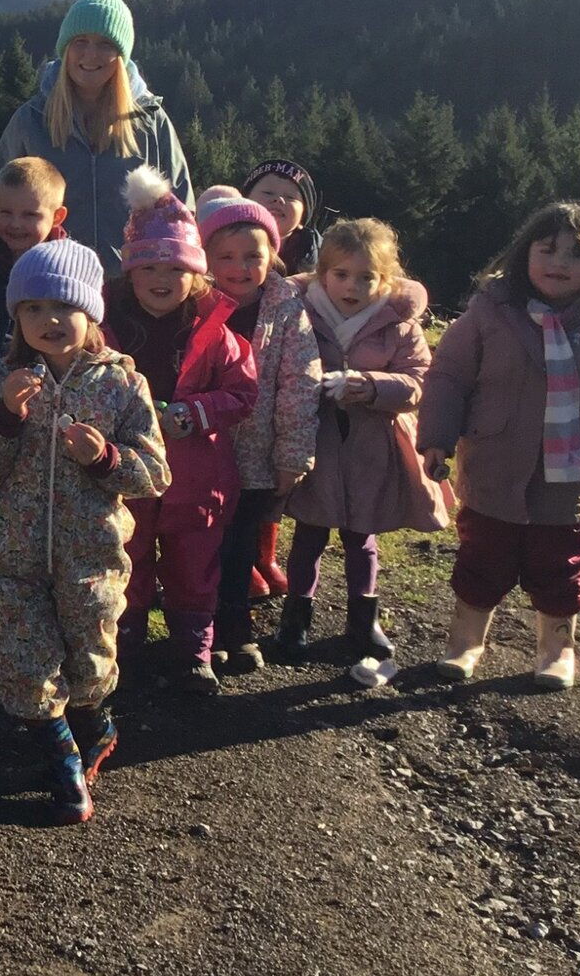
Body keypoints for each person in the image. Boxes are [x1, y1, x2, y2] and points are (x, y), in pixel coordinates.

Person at [0, 241, 169, 824]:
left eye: (63, 307)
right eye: (32, 309)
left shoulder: (122, 386)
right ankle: (64, 764)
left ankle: (96, 726)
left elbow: (154, 474)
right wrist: (6, 416)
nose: (48, 321)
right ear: (17, 317)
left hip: (91, 556)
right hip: (11, 554)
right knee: (26, 661)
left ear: (91, 312)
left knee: (90, 662)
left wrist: (105, 459)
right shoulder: (2, 378)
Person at [419, 202, 580, 690]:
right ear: (523, 253)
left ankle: (557, 651)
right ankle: (465, 644)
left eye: (576, 255)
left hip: (571, 482)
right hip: (492, 470)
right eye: (547, 249)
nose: (559, 263)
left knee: (561, 572)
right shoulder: (491, 312)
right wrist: (438, 440)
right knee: (480, 563)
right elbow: (448, 377)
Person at [103, 170, 256, 695]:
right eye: (148, 265)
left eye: (175, 266)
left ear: (196, 276)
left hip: (196, 482)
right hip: (125, 476)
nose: (161, 277)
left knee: (195, 570)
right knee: (127, 560)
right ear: (131, 271)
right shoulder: (106, 326)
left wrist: (195, 411)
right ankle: (124, 646)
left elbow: (243, 392)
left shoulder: (216, 332)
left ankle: (193, 653)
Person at [276, 219, 450, 681]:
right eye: (341, 275)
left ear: (385, 279)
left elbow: (418, 382)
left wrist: (371, 386)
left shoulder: (398, 323)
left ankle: (363, 620)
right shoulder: (298, 312)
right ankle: (296, 618)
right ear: (321, 274)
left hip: (373, 446)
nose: (352, 287)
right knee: (309, 534)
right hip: (316, 442)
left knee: (362, 535)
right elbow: (281, 367)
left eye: (366, 277)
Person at [195, 186, 320, 673]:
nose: (239, 266)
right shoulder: (195, 302)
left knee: (240, 545)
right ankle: (198, 626)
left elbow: (300, 384)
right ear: (205, 256)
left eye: (253, 255)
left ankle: (235, 628)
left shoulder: (285, 307)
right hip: (201, 453)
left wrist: (292, 456)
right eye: (224, 255)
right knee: (199, 544)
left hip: (256, 456)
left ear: (273, 255)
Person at [0, 0, 192, 273]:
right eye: (80, 41)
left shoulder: (150, 123)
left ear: (121, 55)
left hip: (131, 295)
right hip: (49, 290)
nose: (91, 54)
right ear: (65, 48)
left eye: (105, 44)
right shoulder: (30, 121)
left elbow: (182, 215)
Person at [0, 156, 70, 361]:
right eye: (6, 213)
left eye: (29, 215)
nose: (15, 224)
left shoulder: (68, 274)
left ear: (57, 217)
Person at [242, 159, 322, 277]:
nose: (279, 199)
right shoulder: (219, 242)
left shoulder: (325, 259)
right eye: (268, 193)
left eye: (290, 197)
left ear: (303, 217)